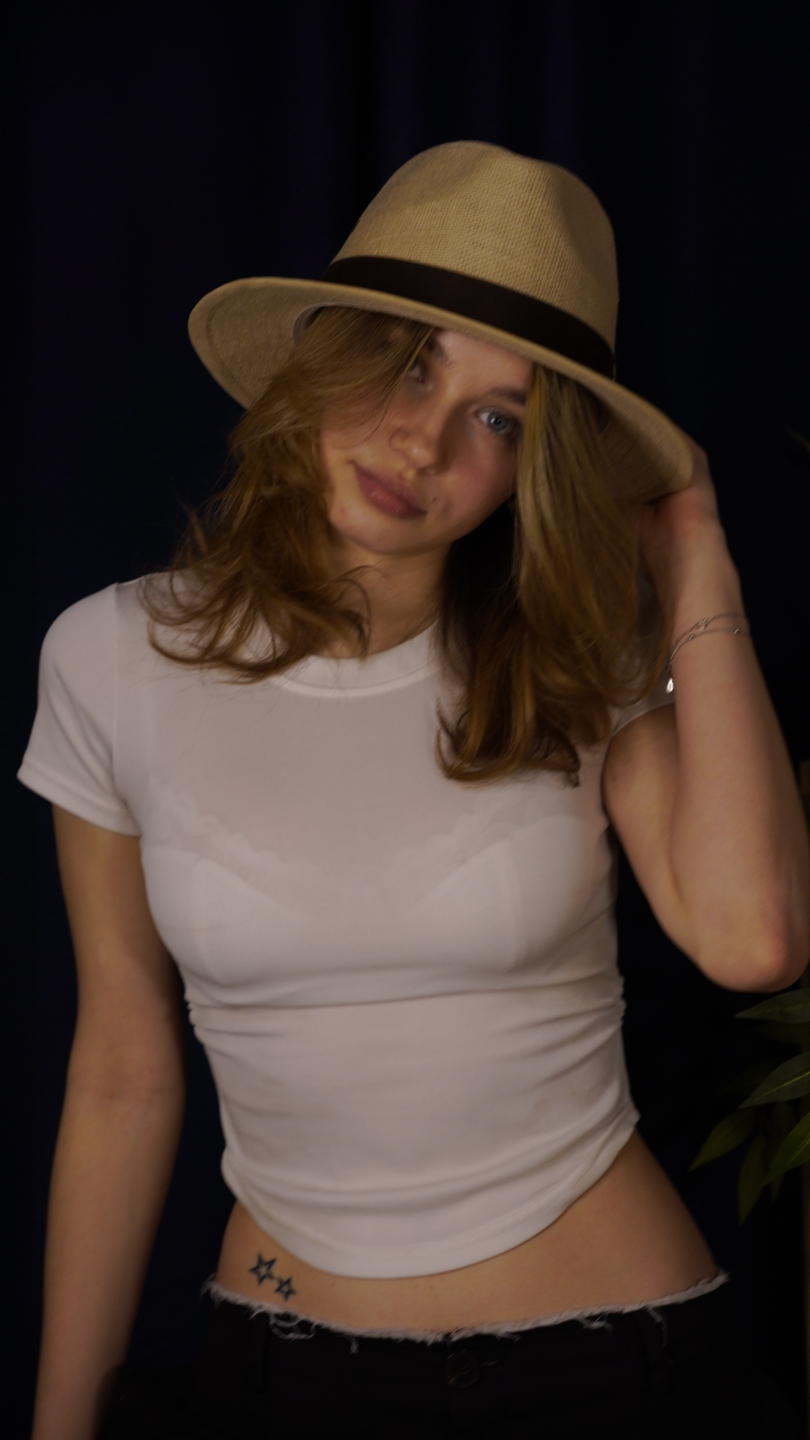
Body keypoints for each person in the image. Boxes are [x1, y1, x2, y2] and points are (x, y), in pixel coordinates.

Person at [19, 141, 809, 1440]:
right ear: (320, 358)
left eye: (500, 418)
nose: (422, 439)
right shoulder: (107, 657)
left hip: (620, 1374)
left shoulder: (580, 661)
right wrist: (60, 1426)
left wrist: (694, 558)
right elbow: (120, 1068)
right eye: (408, 362)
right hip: (277, 1377)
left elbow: (752, 939)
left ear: (533, 467)